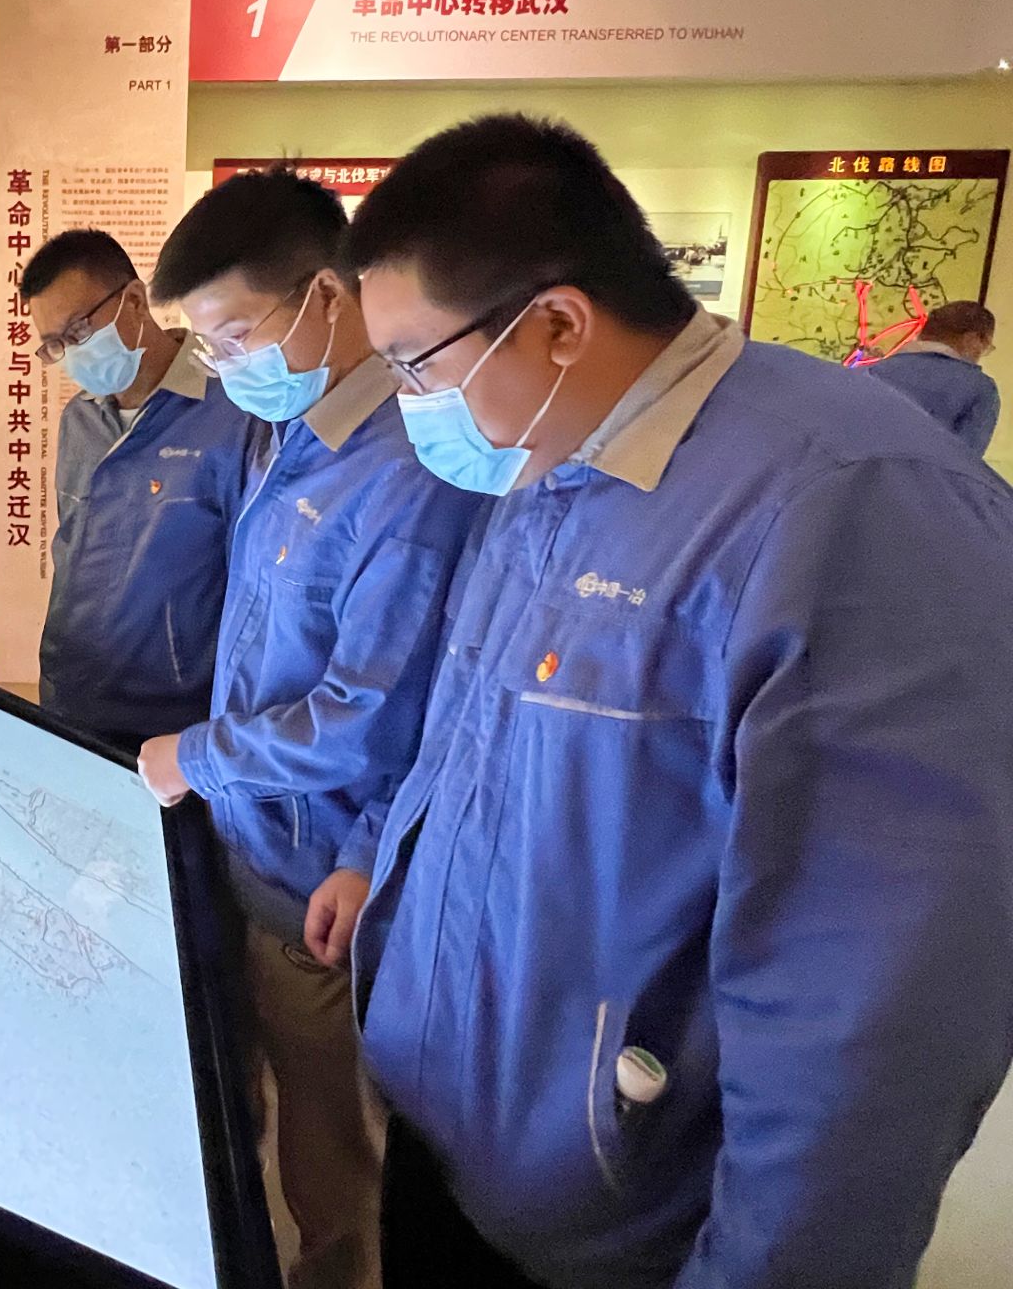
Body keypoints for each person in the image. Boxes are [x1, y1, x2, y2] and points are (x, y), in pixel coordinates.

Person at [334, 112, 1013, 1289]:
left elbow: (871, 1018)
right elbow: (472, 748)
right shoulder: (555, 458)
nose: (403, 402)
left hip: (621, 1231)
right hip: (463, 1152)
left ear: (557, 325)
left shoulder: (852, 508)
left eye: (412, 365)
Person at [134, 170, 487, 1289]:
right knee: (251, 1103)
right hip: (252, 840)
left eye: (236, 336)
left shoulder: (407, 477)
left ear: (327, 297)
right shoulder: (287, 432)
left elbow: (372, 718)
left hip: (317, 872)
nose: (224, 365)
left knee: (333, 1158)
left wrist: (199, 758)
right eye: (208, 345)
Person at [21, 229, 254, 750]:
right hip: (74, 697)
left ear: (132, 301)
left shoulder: (232, 412)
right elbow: (72, 554)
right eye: (55, 344)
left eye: (78, 330)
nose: (71, 354)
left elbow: (251, 581)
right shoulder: (81, 419)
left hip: (174, 717)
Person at [863, 299, 1000, 456]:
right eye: (985, 347)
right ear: (973, 340)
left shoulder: (872, 371)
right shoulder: (980, 388)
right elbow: (964, 460)